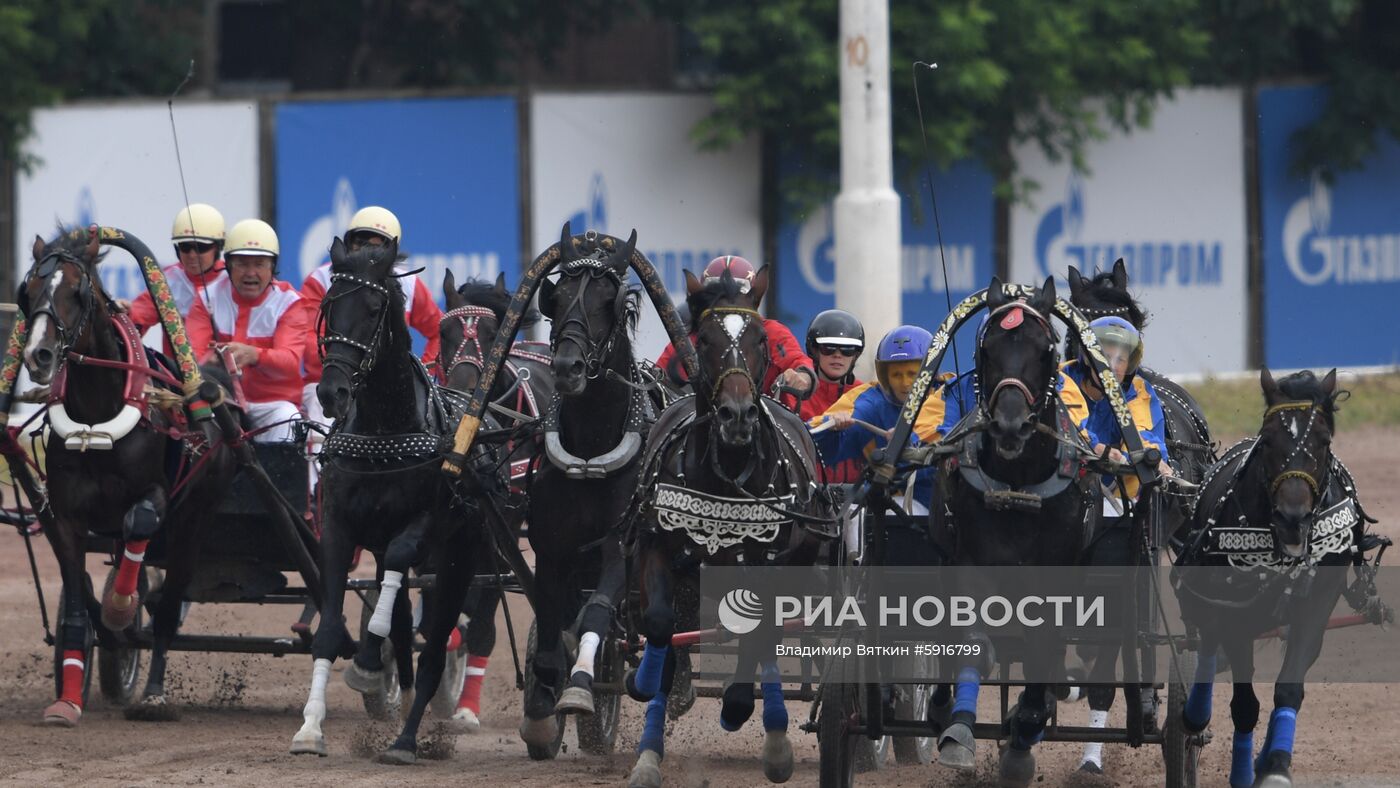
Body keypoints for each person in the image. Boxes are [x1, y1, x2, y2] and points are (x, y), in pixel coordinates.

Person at [1058, 315, 1171, 774]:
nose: (1115, 363)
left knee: (1113, 621)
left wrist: (1136, 455)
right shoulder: (1063, 380)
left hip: (1118, 514)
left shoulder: (1141, 394)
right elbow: (1073, 430)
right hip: (1062, 507)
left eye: (1122, 357)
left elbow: (1149, 441)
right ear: (1087, 354)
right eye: (1106, 353)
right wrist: (1104, 452)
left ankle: (1093, 751)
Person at [299, 206, 442, 430]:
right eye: (361, 244)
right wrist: (346, 366)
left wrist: (423, 370)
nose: (368, 253)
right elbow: (307, 341)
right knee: (319, 440)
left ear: (390, 253)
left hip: (391, 388)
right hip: (332, 381)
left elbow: (439, 332)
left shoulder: (410, 284)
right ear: (348, 245)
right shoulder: (320, 280)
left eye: (377, 248)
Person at [186, 219, 309, 443]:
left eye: (260, 264)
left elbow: (290, 362)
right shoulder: (206, 297)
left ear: (272, 266)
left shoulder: (290, 302)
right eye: (242, 263)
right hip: (220, 400)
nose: (250, 273)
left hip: (271, 405)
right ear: (229, 265)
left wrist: (254, 355)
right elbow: (192, 356)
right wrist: (210, 361)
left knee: (288, 418)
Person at [810, 326, 947, 515]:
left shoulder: (952, 394)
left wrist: (904, 444)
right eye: (897, 375)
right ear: (885, 377)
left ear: (931, 372)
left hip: (945, 506)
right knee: (849, 515)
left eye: (912, 374)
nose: (906, 383)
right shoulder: (869, 400)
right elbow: (811, 439)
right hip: (881, 501)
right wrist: (832, 429)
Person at [656, 255, 815, 400]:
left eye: (736, 295)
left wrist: (803, 376)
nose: (728, 303)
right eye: (718, 296)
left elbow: (798, 362)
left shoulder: (772, 332)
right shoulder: (693, 337)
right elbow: (658, 378)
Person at [126, 204, 228, 355]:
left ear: (218, 247)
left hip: (229, 375)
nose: (192, 255)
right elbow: (137, 317)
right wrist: (124, 312)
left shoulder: (233, 281)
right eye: (185, 247)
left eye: (200, 247)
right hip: (177, 377)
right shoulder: (168, 280)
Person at [801, 309, 866, 483]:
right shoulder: (795, 394)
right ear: (814, 350)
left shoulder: (866, 394)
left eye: (847, 349)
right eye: (828, 348)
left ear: (856, 355)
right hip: (807, 497)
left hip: (858, 500)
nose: (838, 355)